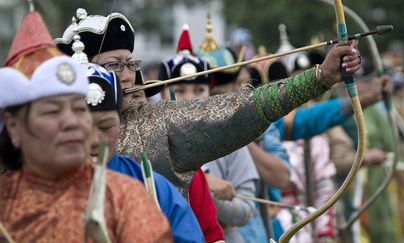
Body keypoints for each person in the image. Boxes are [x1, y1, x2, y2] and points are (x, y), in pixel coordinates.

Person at [55, 8, 362, 194]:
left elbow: (243, 109)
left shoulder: (158, 121)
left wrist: (320, 76)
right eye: (112, 66)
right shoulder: (50, 135)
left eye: (130, 64)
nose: (125, 74)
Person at [0, 11, 171, 242]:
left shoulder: (126, 198)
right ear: (13, 127)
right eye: (53, 111)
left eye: (80, 109)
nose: (72, 122)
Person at [83, 61, 205, 243]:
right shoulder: (35, 189)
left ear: (121, 123)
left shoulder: (151, 186)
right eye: (82, 127)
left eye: (106, 126)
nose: (95, 140)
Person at [159, 25, 256, 243]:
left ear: (209, 93)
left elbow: (247, 210)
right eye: (179, 90)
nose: (190, 99)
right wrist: (199, 180)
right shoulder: (149, 140)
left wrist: (211, 197)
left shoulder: (228, 138)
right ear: (162, 94)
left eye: (199, 90)